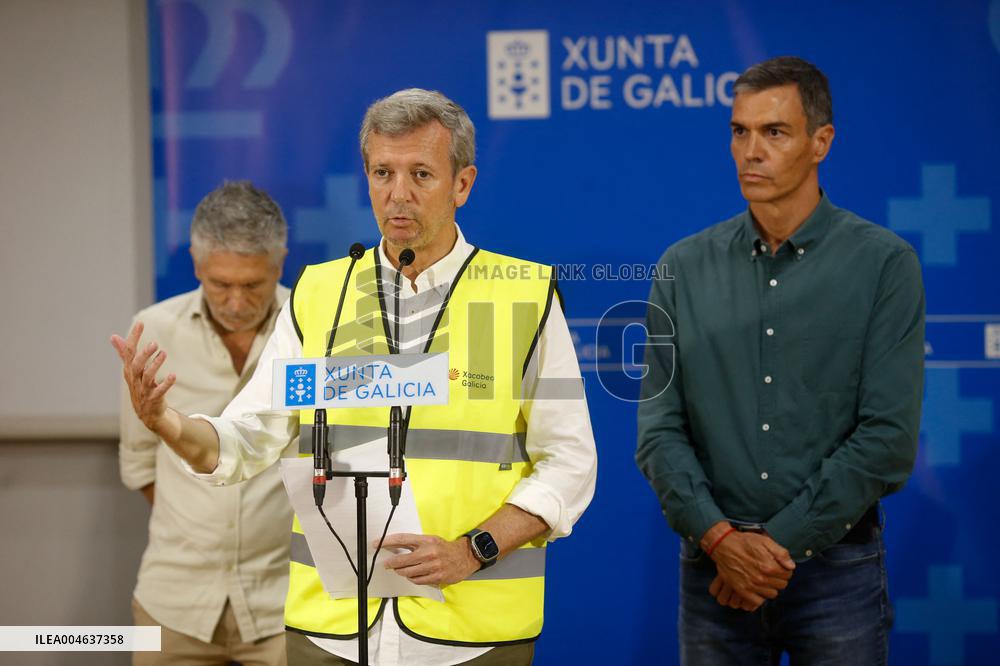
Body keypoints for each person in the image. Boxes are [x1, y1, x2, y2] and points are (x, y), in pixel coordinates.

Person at [112, 89, 597, 666]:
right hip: (331, 632)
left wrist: (475, 549)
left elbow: (570, 460)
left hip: (470, 633)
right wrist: (168, 423)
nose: (399, 193)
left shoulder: (521, 296)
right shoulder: (319, 294)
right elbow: (248, 435)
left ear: (462, 184)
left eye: (421, 174)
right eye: (382, 172)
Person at [636, 56, 925, 664]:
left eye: (774, 132)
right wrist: (721, 540)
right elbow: (659, 431)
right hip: (713, 567)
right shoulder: (682, 267)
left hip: (836, 569)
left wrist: (772, 547)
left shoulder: (883, 265)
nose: (751, 151)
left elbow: (887, 438)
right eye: (739, 131)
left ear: (821, 142)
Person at [117, 181, 292, 665]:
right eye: (220, 284)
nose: (235, 301)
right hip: (175, 601)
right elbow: (140, 463)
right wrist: (202, 524)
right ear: (196, 263)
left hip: (284, 601)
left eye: (252, 285)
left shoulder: (312, 330)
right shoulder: (153, 331)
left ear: (279, 263)